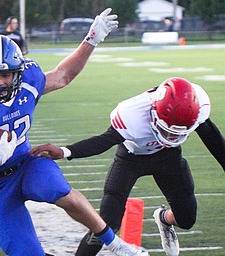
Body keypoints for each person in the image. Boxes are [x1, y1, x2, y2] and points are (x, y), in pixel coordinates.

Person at [0, 9, 148, 256]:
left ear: (17, 72)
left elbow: (63, 76)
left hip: (27, 164)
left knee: (59, 191)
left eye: (5, 74)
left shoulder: (29, 80)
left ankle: (115, 244)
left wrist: (91, 39)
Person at [30, 77, 225, 256]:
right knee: (106, 223)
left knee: (187, 219)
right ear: (154, 111)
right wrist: (66, 151)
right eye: (168, 131)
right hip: (131, 159)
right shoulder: (132, 114)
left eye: (179, 133)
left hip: (168, 158)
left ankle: (164, 218)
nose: (172, 137)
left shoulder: (195, 106)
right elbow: (104, 141)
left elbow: (212, 138)